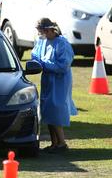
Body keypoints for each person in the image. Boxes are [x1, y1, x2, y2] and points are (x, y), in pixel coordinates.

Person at [31, 18, 77, 154]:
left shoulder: (62, 44)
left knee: (56, 109)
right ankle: (54, 143)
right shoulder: (42, 41)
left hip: (60, 81)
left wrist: (44, 64)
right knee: (48, 110)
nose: (42, 35)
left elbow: (63, 65)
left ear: (51, 29)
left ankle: (62, 143)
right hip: (47, 80)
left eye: (43, 31)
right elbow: (35, 55)